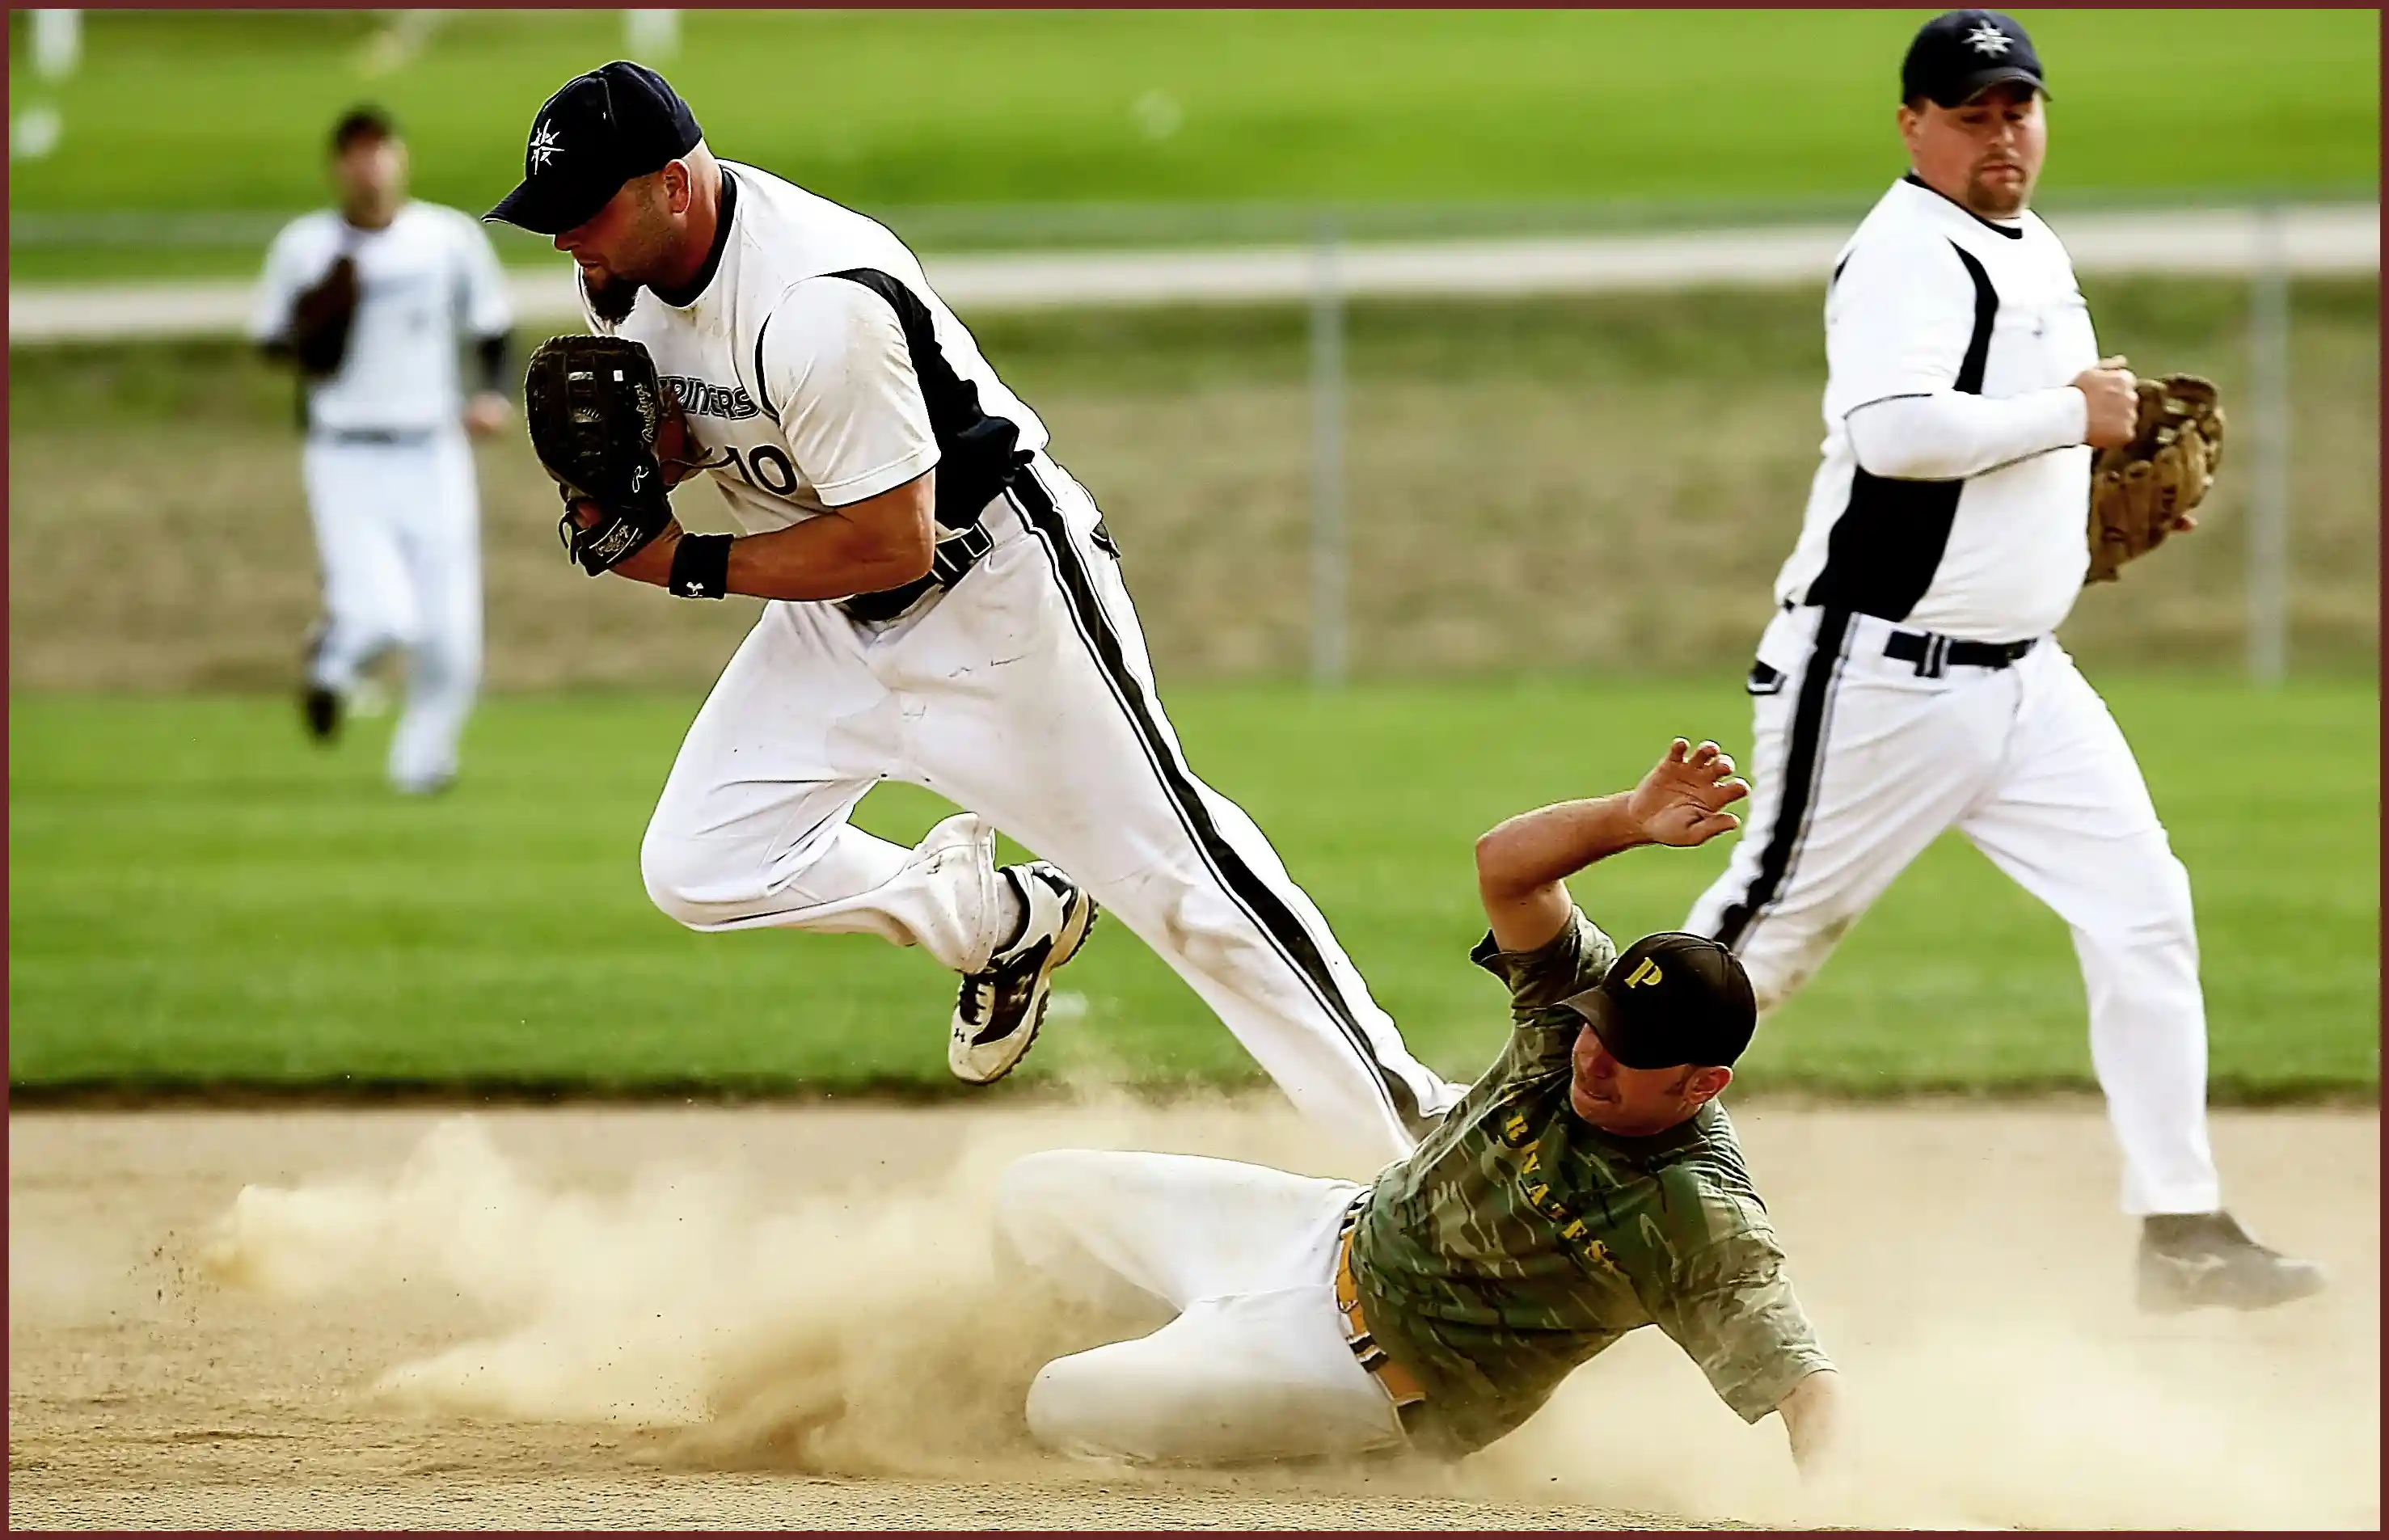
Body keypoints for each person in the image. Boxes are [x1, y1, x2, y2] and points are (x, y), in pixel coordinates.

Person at [483, 63, 1463, 1162]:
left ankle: (1422, 1134)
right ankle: (1000, 922)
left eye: (584, 211)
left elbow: (889, 538)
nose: (566, 239)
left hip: (993, 599)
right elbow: (693, 430)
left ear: (671, 185)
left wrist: (680, 561)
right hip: (830, 619)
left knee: (1181, 885)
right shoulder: (623, 277)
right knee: (699, 864)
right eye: (548, 218)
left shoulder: (817, 304)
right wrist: (620, 485)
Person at [1678, 11, 2324, 1312]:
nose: (1999, 134)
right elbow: (1893, 434)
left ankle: (2178, 1229)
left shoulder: (2028, 246)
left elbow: (2008, 459)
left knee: (2144, 910)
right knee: (1754, 948)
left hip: (2021, 676)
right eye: (1970, 112)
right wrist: (2068, 417)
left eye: (2016, 107)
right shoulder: (1905, 256)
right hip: (1876, 677)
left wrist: (2072, 513)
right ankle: (1522, 1129)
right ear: (1912, 123)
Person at [997, 738, 1841, 1472]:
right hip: (1320, 1230)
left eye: (1635, 1055)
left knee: (1058, 1401)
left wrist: (1843, 1508)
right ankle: (1184, 1353)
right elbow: (1505, 867)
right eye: (1601, 1028)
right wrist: (1628, 817)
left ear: (1703, 1084)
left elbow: (1807, 1389)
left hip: (1358, 1377)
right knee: (1029, 1199)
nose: (1597, 1057)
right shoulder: (1568, 1021)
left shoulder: (1694, 1208)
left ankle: (1301, 1452)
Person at [251, 106, 516, 795]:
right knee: (383, 615)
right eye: (354, 154)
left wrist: (491, 394)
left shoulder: (445, 240)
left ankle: (420, 766)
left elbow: (491, 326)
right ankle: (332, 664)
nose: (369, 166)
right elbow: (272, 340)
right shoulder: (307, 248)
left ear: (400, 158)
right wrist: (316, 326)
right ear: (338, 166)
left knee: (451, 631)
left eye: (379, 151)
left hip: (433, 448)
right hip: (346, 452)